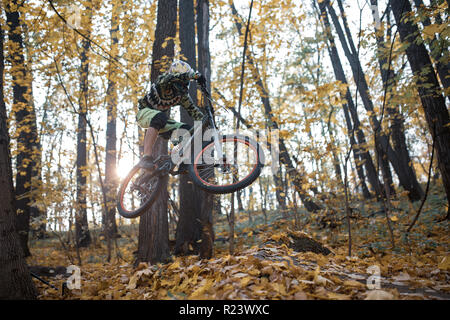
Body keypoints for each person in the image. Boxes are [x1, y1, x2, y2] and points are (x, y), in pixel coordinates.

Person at [136, 60, 206, 169]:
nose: (183, 85)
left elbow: (194, 112)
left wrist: (208, 123)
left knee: (186, 130)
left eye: (185, 83)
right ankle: (146, 157)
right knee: (159, 116)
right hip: (143, 114)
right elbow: (170, 79)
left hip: (161, 122)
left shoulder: (181, 96)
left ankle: (183, 162)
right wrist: (194, 75)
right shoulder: (163, 82)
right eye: (181, 82)